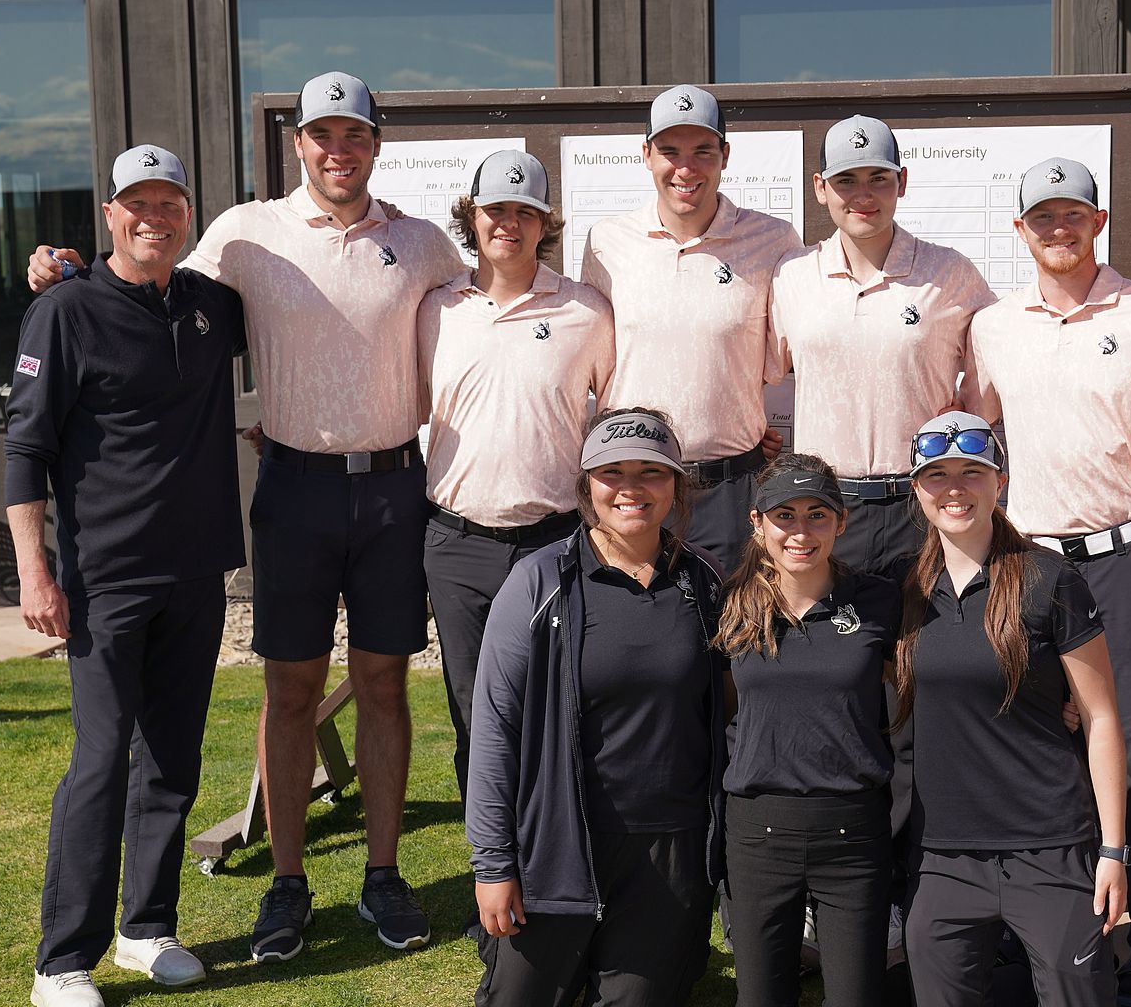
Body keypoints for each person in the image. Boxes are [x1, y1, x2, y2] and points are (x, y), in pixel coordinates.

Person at [29, 71, 465, 965]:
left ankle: (384, 874)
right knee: (290, 690)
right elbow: (142, 292)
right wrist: (62, 269)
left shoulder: (421, 243)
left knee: (384, 684)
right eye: (321, 136)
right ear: (297, 145)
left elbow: (491, 300)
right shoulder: (241, 233)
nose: (337, 151)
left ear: (376, 145)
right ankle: (288, 884)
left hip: (393, 486)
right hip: (295, 490)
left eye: (354, 136)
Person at [6, 144, 244, 1007]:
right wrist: (35, 571)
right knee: (101, 762)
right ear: (109, 215)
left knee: (173, 763)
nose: (155, 217)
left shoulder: (211, 306)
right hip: (104, 579)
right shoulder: (64, 311)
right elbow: (25, 447)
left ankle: (147, 930)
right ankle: (63, 959)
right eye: (136, 204)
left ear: (188, 213)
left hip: (196, 571)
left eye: (169, 202)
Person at [961, 158, 1131, 1007]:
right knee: (1036, 750)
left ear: (1099, 222)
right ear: (1022, 230)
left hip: (1124, 557)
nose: (1059, 229)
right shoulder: (994, 327)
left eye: (1074, 215)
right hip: (1029, 563)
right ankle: (1056, 934)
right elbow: (974, 428)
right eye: (1042, 218)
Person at [465, 408, 727, 1007]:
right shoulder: (539, 581)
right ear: (586, 487)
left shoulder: (705, 582)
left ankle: (650, 947)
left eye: (651, 473)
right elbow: (495, 730)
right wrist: (494, 866)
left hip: (669, 843)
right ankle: (541, 950)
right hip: (560, 837)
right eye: (612, 473)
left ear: (675, 487)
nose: (630, 488)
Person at [896, 412, 1128, 1007]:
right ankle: (1040, 977)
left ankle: (1081, 971)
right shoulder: (903, 592)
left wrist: (1113, 851)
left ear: (999, 480)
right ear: (916, 491)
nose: (955, 488)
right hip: (947, 855)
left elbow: (1103, 717)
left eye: (972, 471)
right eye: (936, 475)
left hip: (1047, 842)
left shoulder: (1050, 580)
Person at [418, 150, 613, 817]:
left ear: (545, 223)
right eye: (495, 209)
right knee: (477, 715)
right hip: (457, 545)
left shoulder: (586, 311)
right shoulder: (435, 311)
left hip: (553, 544)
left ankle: (556, 866)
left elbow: (621, 416)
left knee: (558, 706)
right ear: (471, 218)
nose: (509, 223)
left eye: (524, 212)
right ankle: (493, 879)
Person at [714, 453, 908, 1007]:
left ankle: (917, 969)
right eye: (785, 516)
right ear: (757, 523)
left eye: (817, 515)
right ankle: (796, 952)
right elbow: (716, 707)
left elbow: (945, 672)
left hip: (852, 834)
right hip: (757, 835)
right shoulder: (729, 605)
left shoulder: (877, 601)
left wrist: (1057, 700)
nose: (801, 532)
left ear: (841, 522)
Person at [578, 85, 804, 573]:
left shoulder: (773, 239)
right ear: (646, 155)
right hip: (635, 489)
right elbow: (587, 361)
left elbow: (796, 352)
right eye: (670, 151)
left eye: (703, 150)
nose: (686, 167)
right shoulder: (606, 242)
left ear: (725, 155)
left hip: (731, 489)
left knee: (732, 638)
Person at [771, 115, 997, 576]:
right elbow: (761, 370)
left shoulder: (950, 272)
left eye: (879, 179)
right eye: (846, 181)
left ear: (902, 182)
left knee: (923, 646)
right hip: (824, 512)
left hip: (923, 507)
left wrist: (966, 421)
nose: (863, 195)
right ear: (820, 187)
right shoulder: (791, 276)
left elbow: (992, 375)